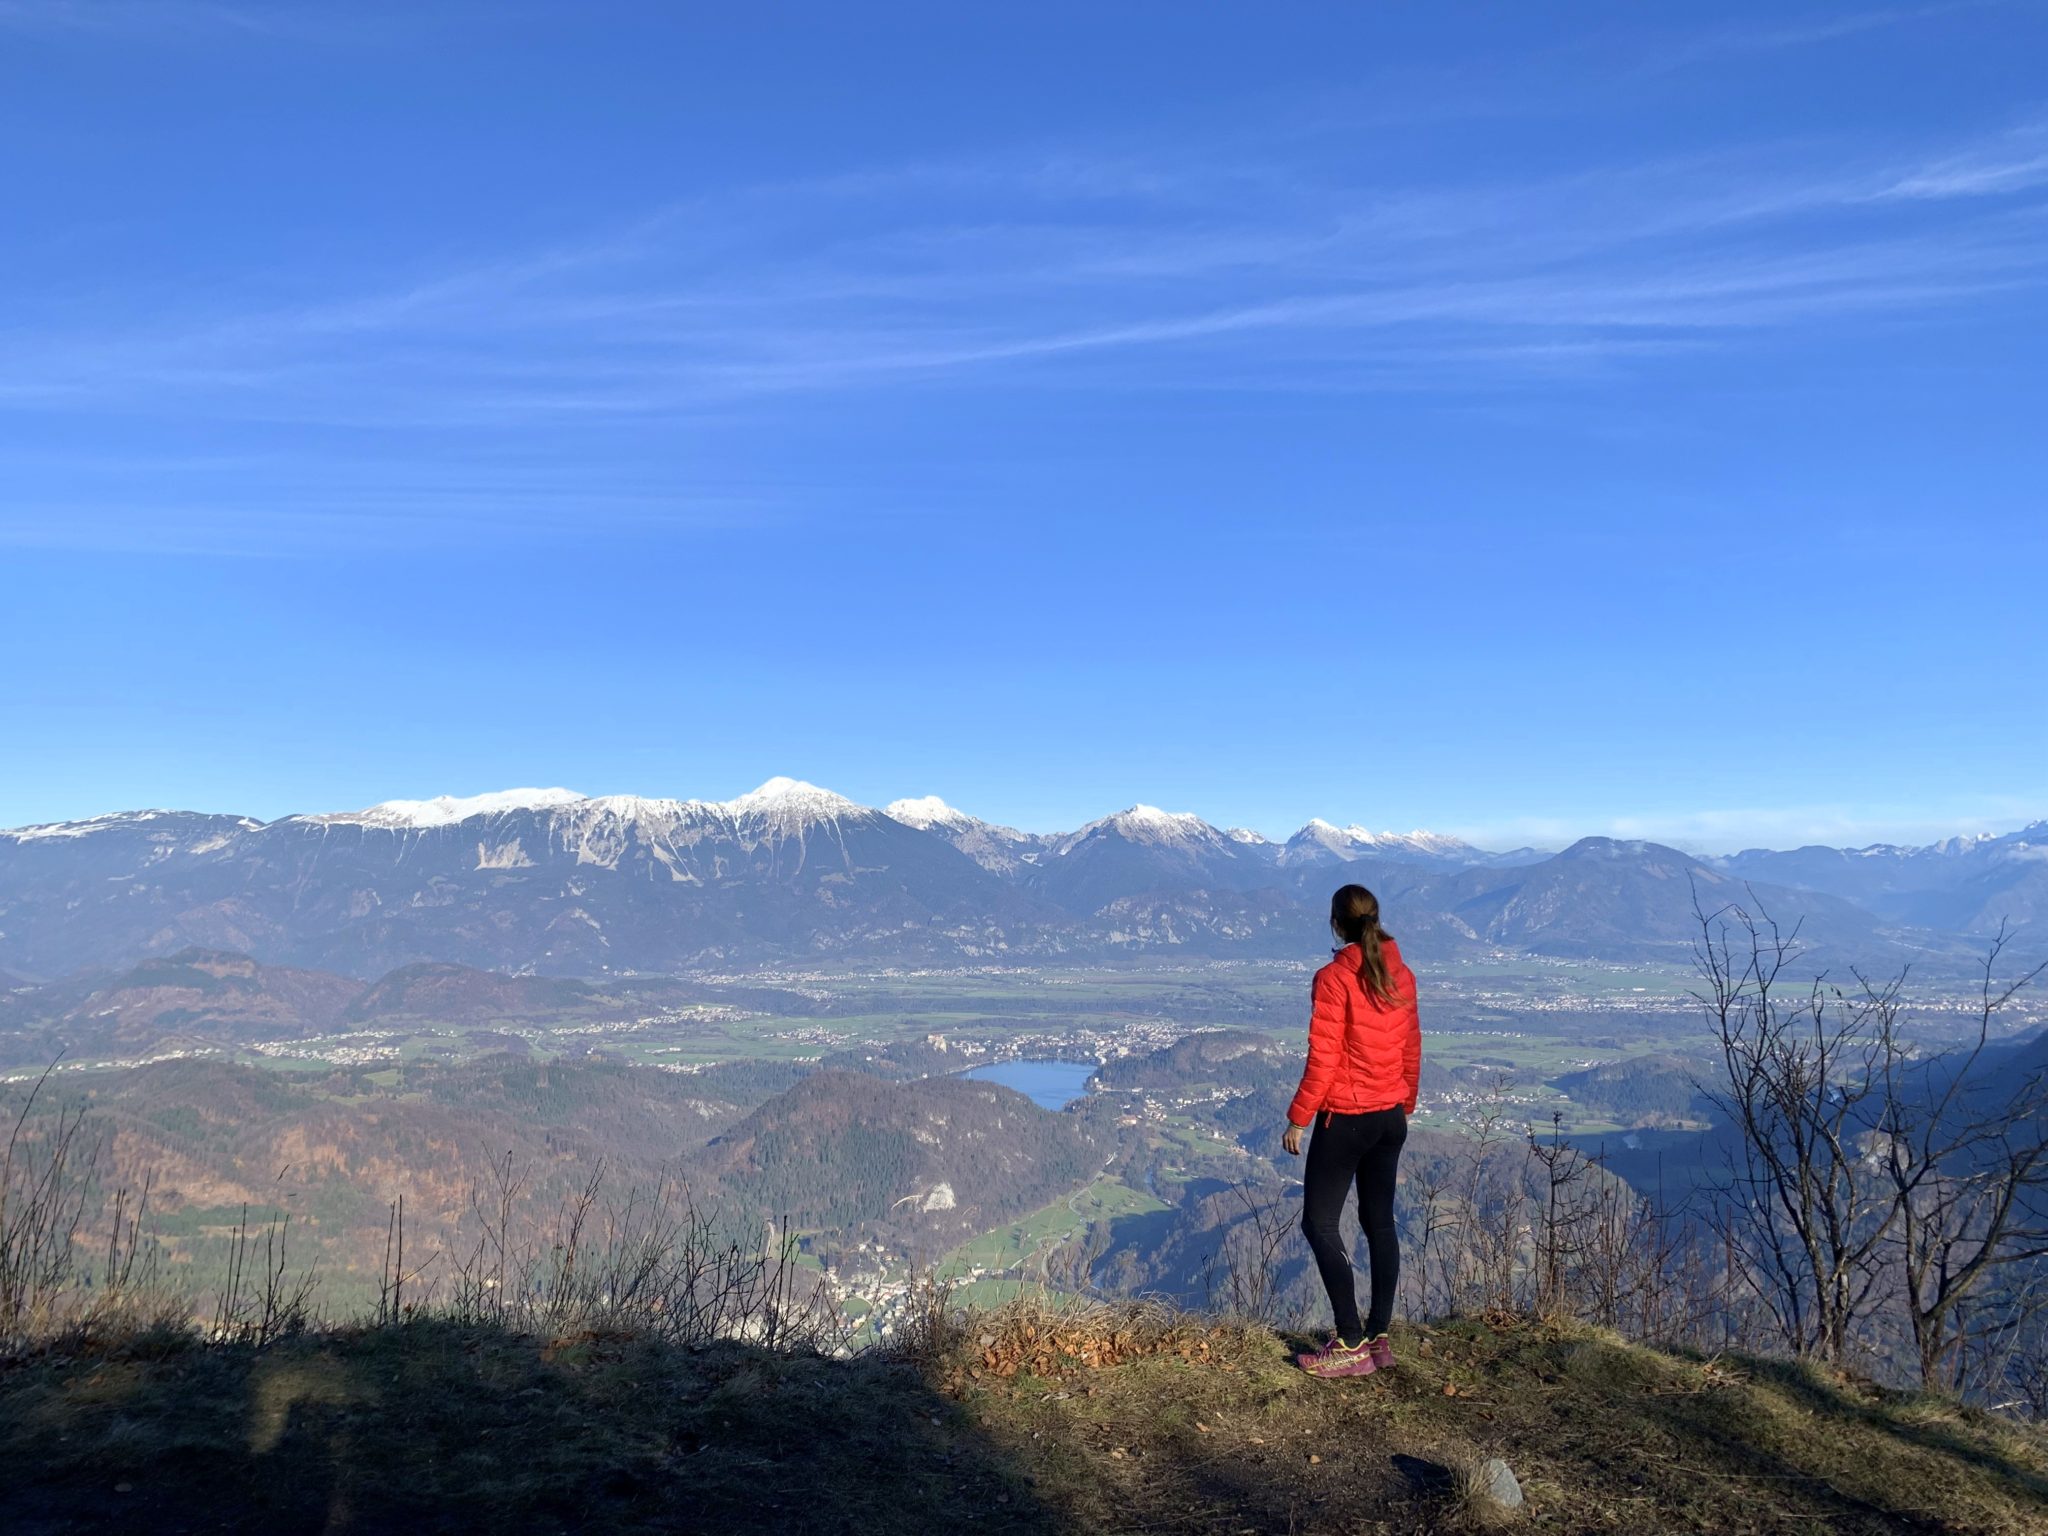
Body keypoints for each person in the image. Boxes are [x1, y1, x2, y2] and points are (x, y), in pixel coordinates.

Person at [1281, 883, 1421, 1379]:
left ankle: (1350, 1342)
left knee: (1319, 1224)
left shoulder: (1333, 978)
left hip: (1346, 1119)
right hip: (1389, 1118)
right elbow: (1410, 1048)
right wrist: (1404, 1103)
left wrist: (1300, 1116)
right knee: (1379, 1222)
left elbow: (1324, 1057)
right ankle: (1379, 1337)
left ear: (1336, 924)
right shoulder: (1401, 973)